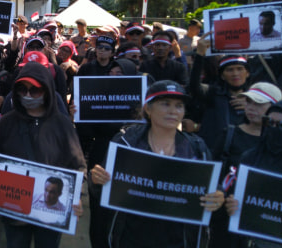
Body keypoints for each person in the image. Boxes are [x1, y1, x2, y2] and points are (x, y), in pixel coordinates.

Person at [89, 80, 225, 248]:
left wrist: (218, 196)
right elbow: (103, 189)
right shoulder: (126, 142)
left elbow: (213, 188)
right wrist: (97, 179)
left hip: (178, 239)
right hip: (131, 237)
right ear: (148, 109)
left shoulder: (197, 148)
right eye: (165, 104)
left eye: (179, 106)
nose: (173, 111)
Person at [0, 61, 85, 248]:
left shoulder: (62, 124)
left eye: (34, 90)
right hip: (14, 209)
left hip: (50, 214)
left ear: (47, 91)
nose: (28, 95)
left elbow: (78, 165)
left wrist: (74, 197)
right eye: (22, 89)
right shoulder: (7, 122)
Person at [225, 99, 282, 248]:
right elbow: (234, 196)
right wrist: (231, 203)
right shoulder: (250, 158)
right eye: (269, 122)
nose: (274, 128)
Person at [208, 82, 282, 248]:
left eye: (258, 104)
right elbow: (212, 173)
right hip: (226, 221)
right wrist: (220, 195)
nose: (251, 108)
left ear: (275, 108)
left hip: (263, 224)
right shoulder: (230, 134)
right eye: (249, 102)